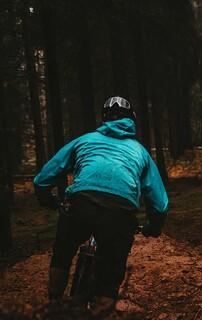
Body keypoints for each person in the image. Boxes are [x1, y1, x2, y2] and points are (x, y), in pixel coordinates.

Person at [33, 96, 168, 313]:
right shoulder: (140, 151)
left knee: (63, 252)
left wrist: (46, 199)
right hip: (120, 213)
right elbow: (160, 203)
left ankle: (53, 304)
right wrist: (153, 226)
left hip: (81, 204)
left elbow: (44, 177)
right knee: (110, 278)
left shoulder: (84, 140)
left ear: (104, 119)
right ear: (132, 120)